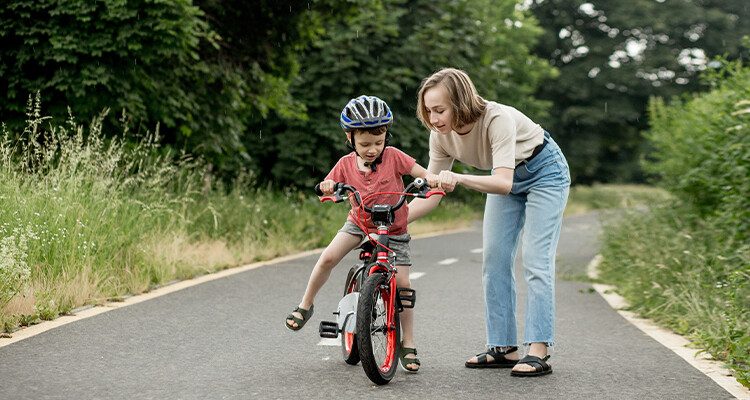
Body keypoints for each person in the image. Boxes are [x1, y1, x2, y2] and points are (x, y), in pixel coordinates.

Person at [408, 68, 570, 377]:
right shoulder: (440, 137)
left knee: (536, 260)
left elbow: (503, 183)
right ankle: (503, 348)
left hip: (544, 172)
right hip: (503, 180)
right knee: (494, 259)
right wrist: (396, 220)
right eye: (428, 111)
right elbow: (433, 191)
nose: (434, 118)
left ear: (460, 102)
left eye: (440, 110)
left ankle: (538, 350)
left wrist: (460, 178)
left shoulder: (497, 119)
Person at [285, 95, 429, 372]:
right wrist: (327, 188)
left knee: (404, 286)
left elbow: (421, 173)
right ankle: (305, 305)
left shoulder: (395, 157)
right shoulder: (345, 164)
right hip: (359, 224)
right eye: (365, 144)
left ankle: (407, 343)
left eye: (379, 141)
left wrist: (431, 180)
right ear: (350, 138)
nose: (373, 149)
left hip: (394, 229)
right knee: (328, 258)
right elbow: (328, 183)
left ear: (387, 135)